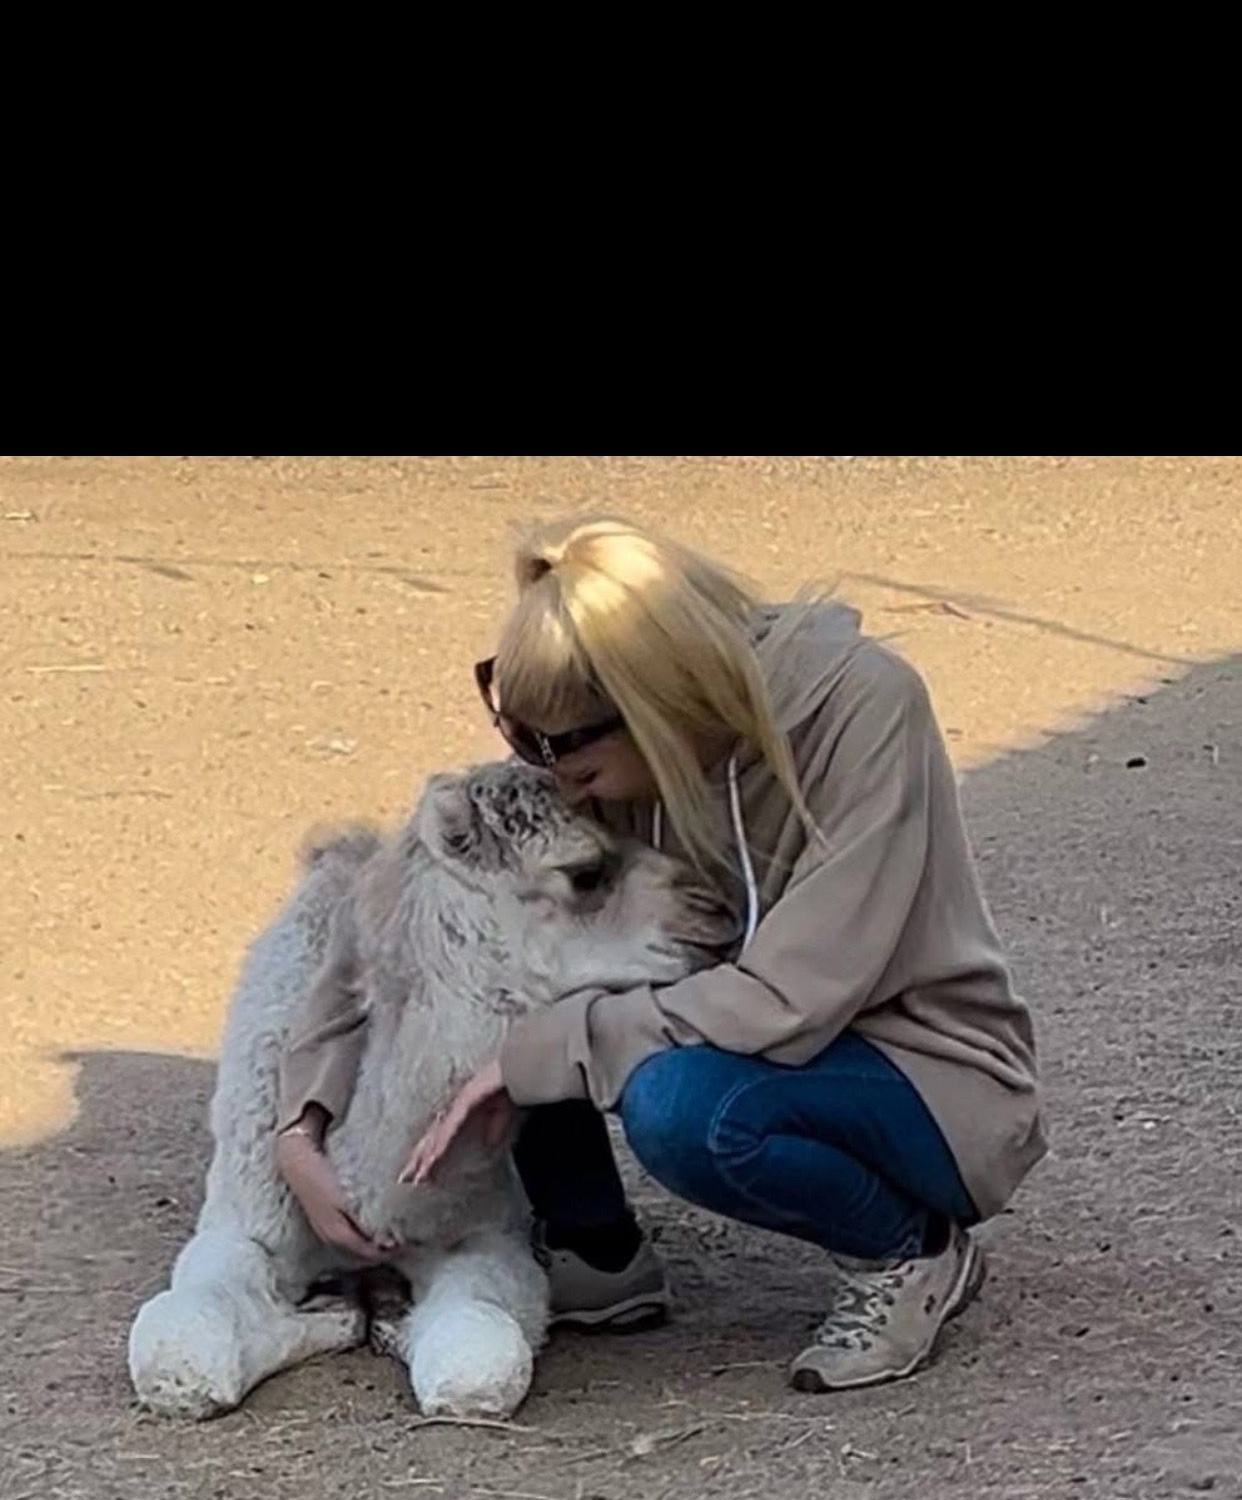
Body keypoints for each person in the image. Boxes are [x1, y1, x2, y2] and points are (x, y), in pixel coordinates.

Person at [275, 516, 1046, 1391]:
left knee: (680, 1110)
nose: (547, 774)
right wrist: (301, 1125)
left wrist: (540, 1052)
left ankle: (911, 1252)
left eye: (567, 752)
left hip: (917, 1073)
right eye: (523, 738)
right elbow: (403, 926)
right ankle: (596, 1249)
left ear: (654, 701)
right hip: (725, 1027)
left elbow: (792, 996)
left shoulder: (864, 711)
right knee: (513, 950)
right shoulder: (582, 748)